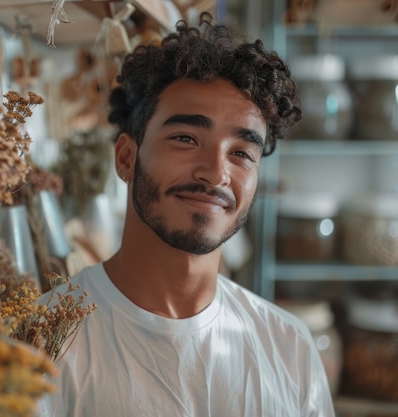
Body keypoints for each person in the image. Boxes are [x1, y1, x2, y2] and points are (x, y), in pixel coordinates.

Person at [41, 13, 335, 417]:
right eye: (185, 138)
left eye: (241, 153)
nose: (216, 173)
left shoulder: (290, 349)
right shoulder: (43, 342)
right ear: (127, 158)